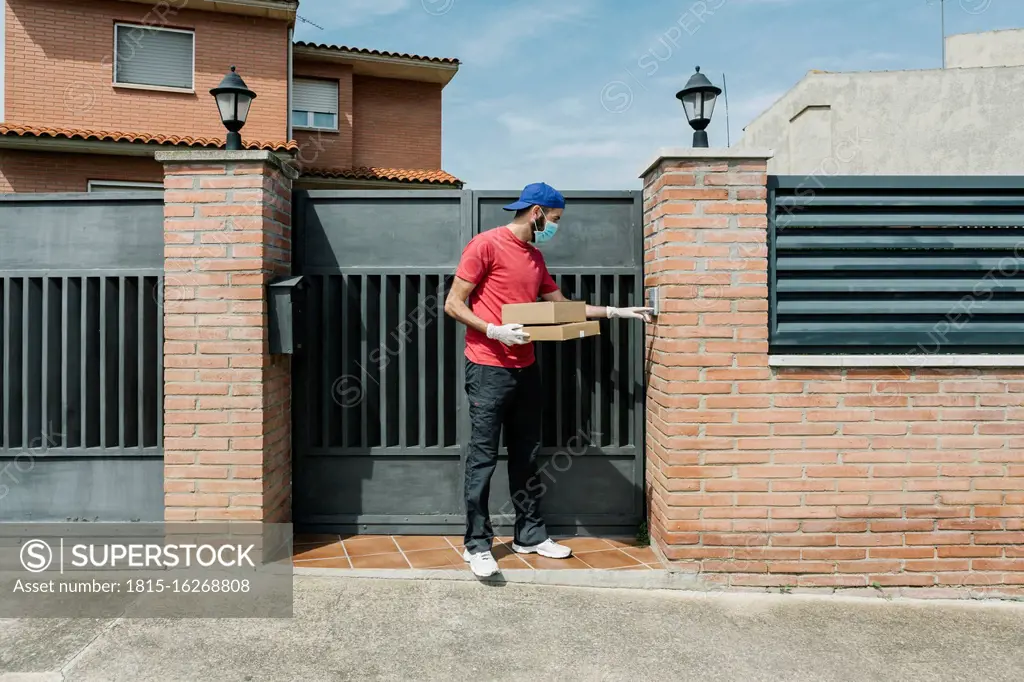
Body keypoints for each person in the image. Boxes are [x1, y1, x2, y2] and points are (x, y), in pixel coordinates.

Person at [443, 182, 653, 578]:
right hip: (488, 367)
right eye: (555, 219)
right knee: (483, 458)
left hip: (526, 368)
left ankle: (529, 535)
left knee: (526, 455)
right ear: (537, 212)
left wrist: (616, 311)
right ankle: (477, 544)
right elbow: (453, 303)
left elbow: (564, 310)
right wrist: (492, 330)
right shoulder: (485, 245)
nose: (556, 227)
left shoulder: (535, 258)